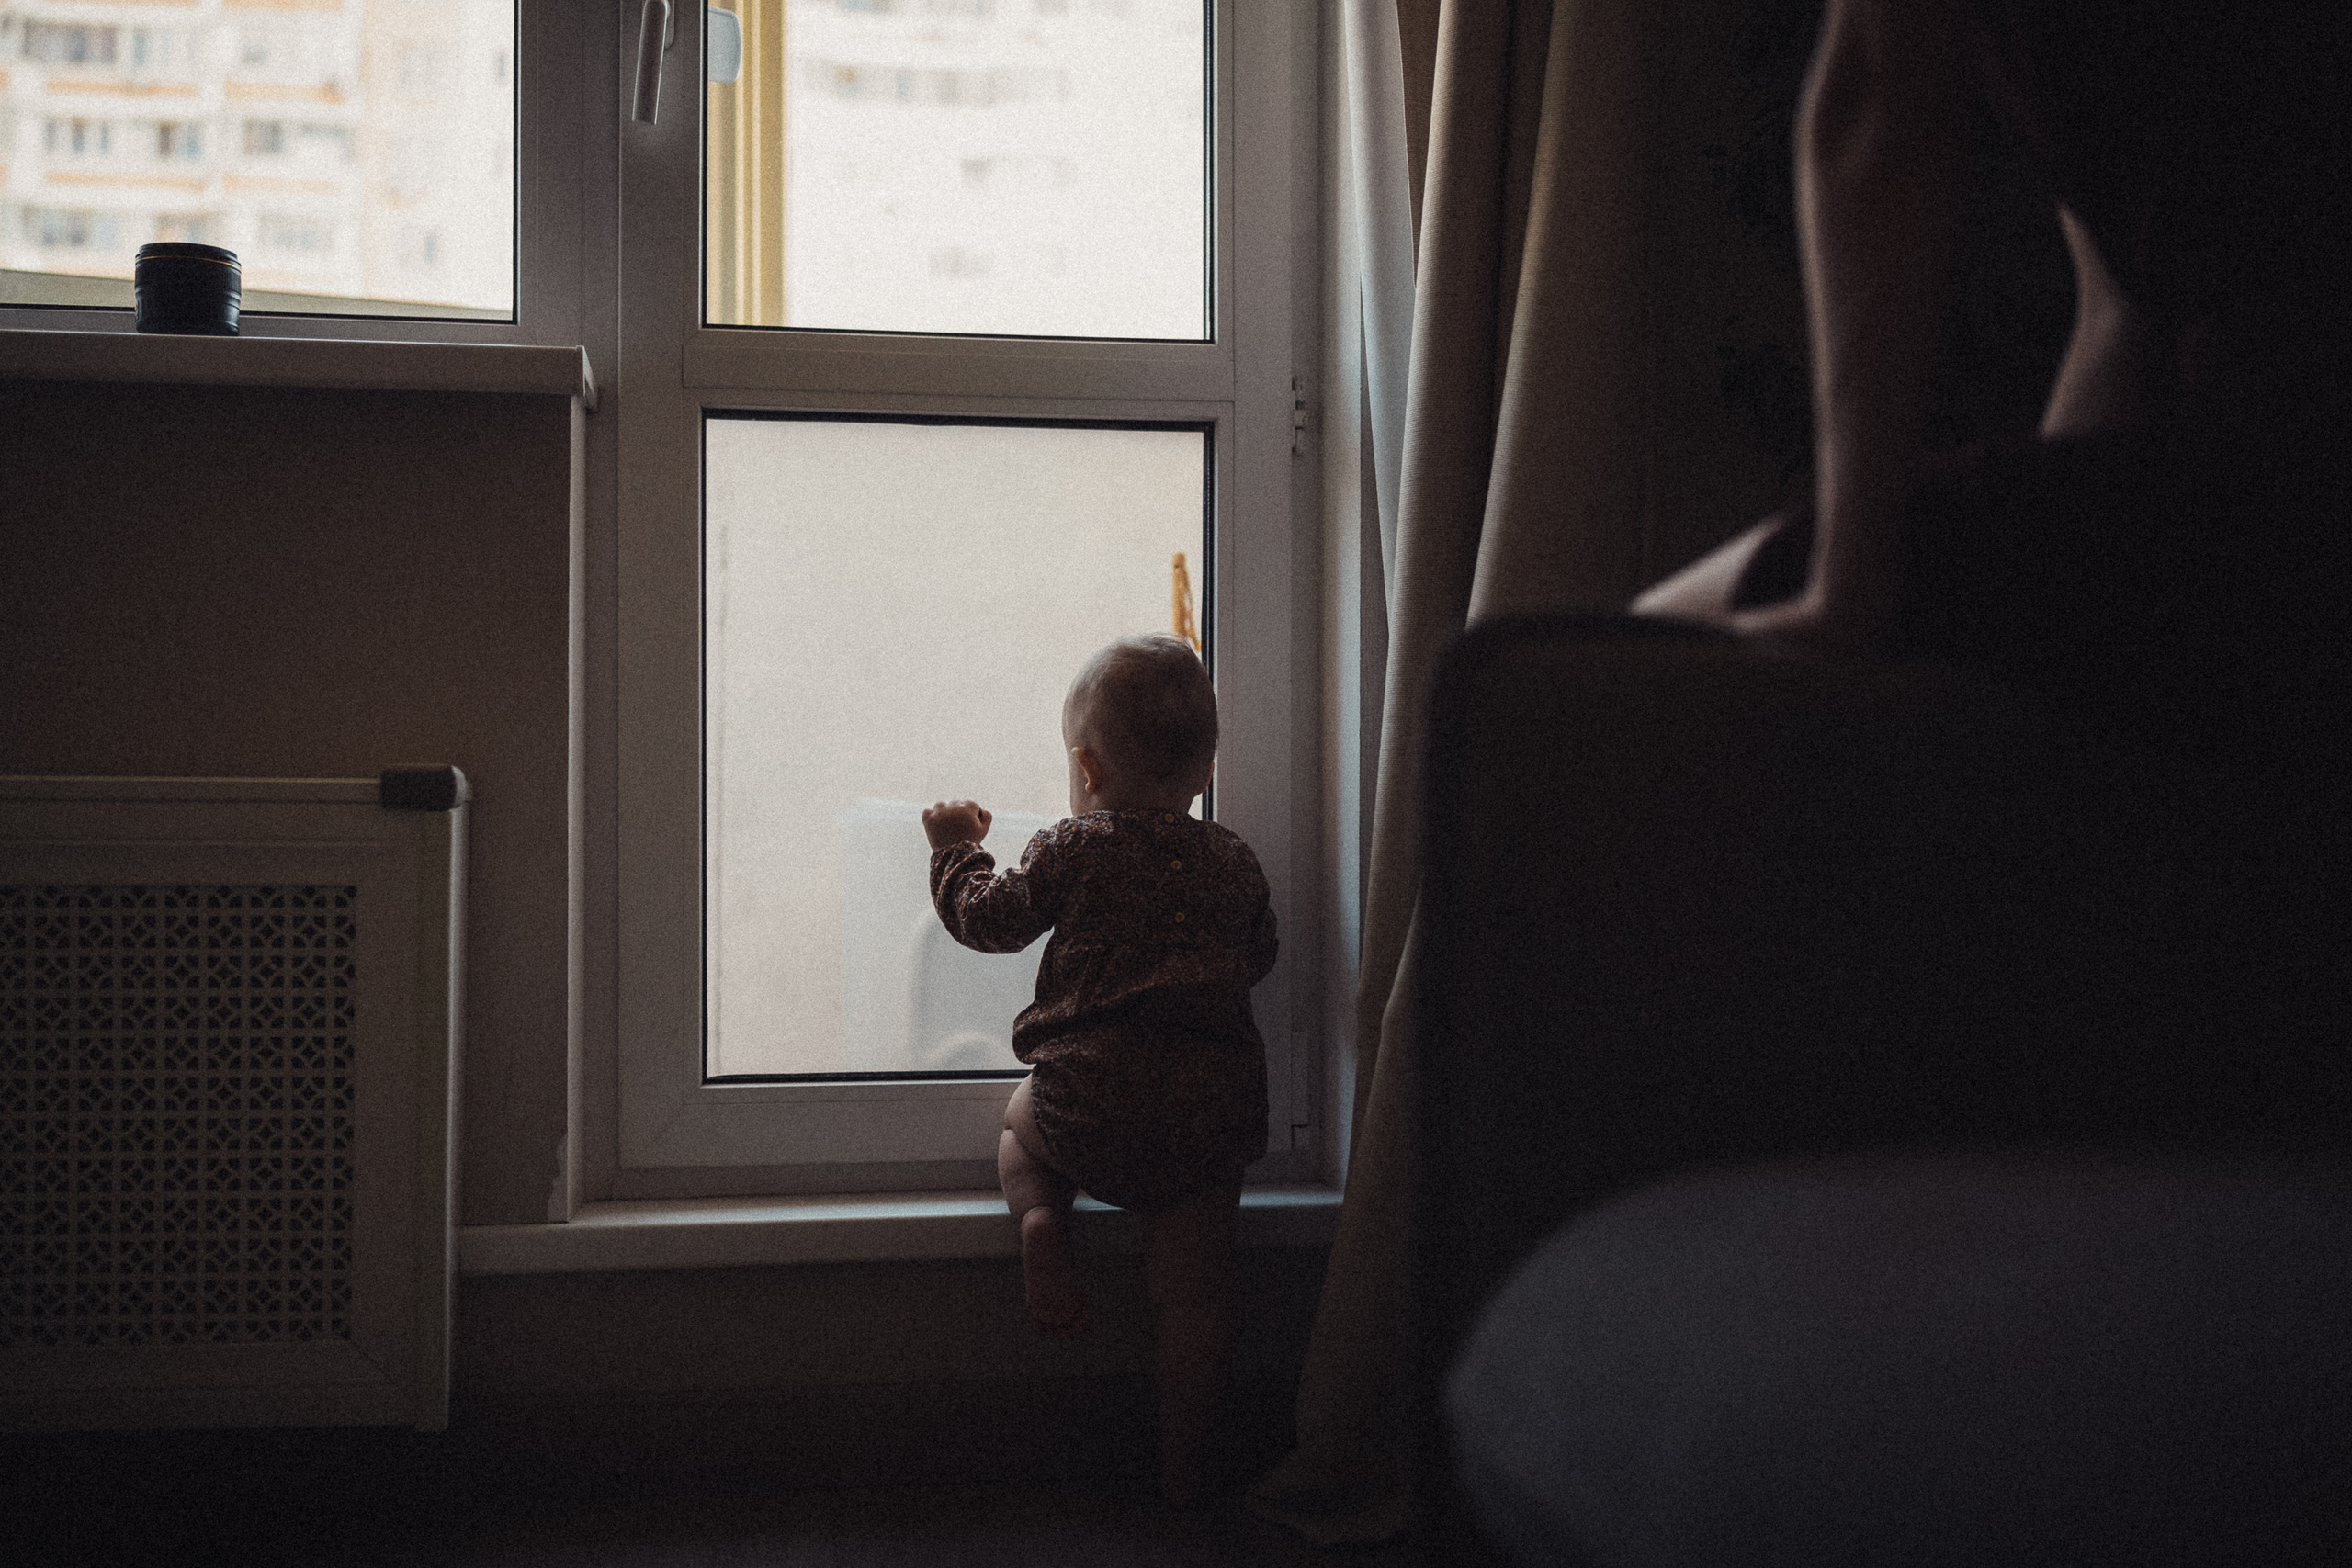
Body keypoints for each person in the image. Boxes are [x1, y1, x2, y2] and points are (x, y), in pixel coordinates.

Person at [1635, 0, 2352, 756]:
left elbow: (1877, 107)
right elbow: (2119, 314)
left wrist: (1849, 592)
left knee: (1593, 700)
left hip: (2285, 495)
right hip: (2225, 492)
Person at [922, 633, 1278, 1506]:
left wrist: (954, 847)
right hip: (1205, 1117)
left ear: (1085, 765)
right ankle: (1186, 1476)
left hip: (1091, 1105)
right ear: (1204, 767)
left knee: (1018, 1122)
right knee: (1192, 1302)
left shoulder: (1072, 847)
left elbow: (988, 920)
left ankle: (1042, 1220)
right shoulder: (1232, 860)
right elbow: (1260, 954)